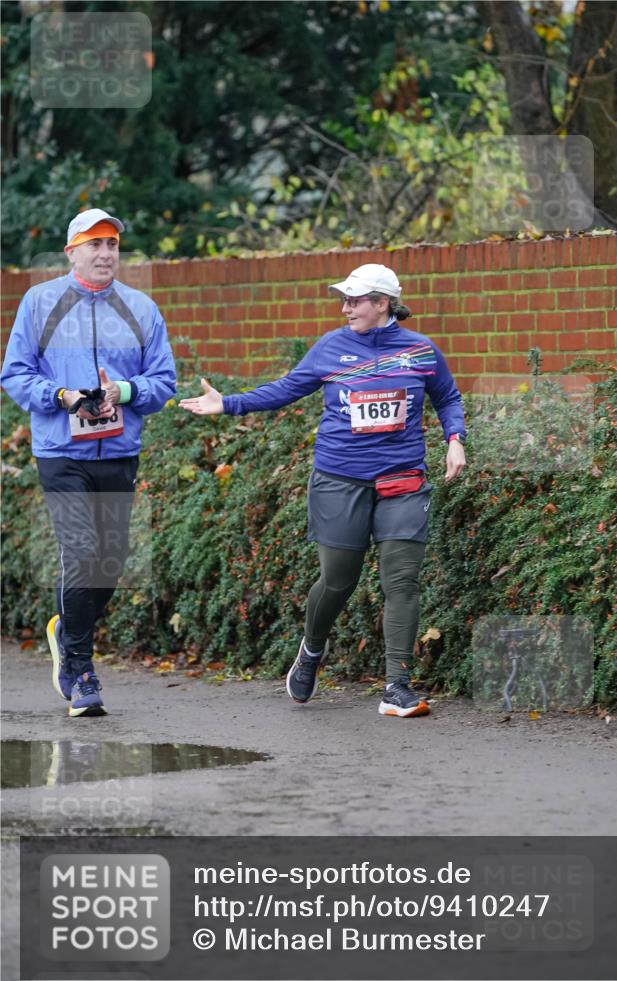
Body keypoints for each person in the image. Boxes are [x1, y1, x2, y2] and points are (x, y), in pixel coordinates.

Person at [179, 262, 465, 718]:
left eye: (355, 300)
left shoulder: (421, 351)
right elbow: (287, 389)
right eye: (344, 299)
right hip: (339, 479)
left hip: (403, 480)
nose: (345, 307)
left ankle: (398, 687)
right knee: (338, 580)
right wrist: (227, 403)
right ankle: (312, 649)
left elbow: (448, 397)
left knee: (402, 581)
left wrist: (455, 440)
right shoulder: (332, 347)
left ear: (383, 303)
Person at [1, 208, 176, 717]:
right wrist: (61, 396)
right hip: (61, 451)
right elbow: (14, 373)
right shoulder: (40, 302)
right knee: (80, 551)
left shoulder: (141, 308)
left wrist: (125, 390)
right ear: (72, 251)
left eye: (113, 245)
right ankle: (79, 671)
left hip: (119, 451)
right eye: (94, 244)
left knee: (111, 560)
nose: (105, 254)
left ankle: (65, 628)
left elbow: (163, 380)